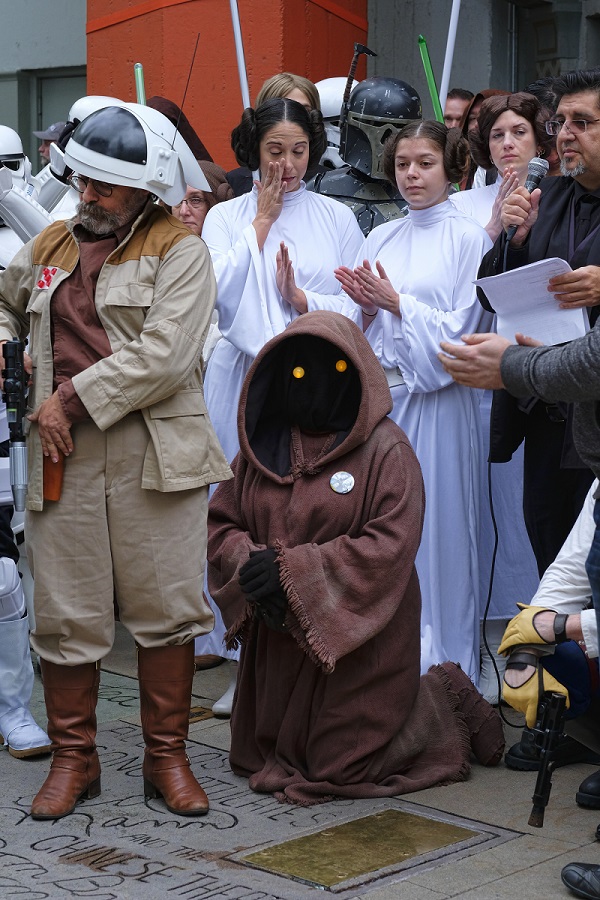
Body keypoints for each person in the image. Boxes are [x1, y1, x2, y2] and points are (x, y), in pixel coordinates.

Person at [0, 102, 231, 820]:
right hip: (59, 454)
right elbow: (4, 302)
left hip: (153, 451)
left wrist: (67, 402)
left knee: (165, 607)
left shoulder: (181, 249)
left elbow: (165, 356)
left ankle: (167, 760)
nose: (87, 194)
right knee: (66, 611)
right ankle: (76, 759)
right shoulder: (49, 243)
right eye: (83, 180)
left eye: (104, 185)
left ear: (146, 188)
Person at [206, 310, 505, 805]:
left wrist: (291, 574)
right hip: (280, 646)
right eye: (297, 375)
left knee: (339, 768)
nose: (311, 387)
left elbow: (389, 546)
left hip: (360, 643)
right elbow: (222, 523)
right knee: (254, 759)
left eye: (334, 374)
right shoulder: (260, 449)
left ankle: (441, 701)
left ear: (358, 374)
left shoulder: (388, 451)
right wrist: (247, 561)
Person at [438, 67, 600, 899]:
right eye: (561, 122)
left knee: (592, 596)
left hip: (587, 413)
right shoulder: (556, 200)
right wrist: (508, 237)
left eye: (579, 123)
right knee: (554, 568)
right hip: (550, 415)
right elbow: (502, 291)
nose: (563, 136)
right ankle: (578, 726)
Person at [200, 97, 363, 716]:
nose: (288, 165)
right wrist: (258, 228)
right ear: (253, 150)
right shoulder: (227, 218)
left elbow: (357, 304)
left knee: (301, 512)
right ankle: (244, 659)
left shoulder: (337, 217)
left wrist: (303, 298)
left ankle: (310, 649)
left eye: (299, 151)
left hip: (314, 380)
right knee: (242, 509)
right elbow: (210, 293)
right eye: (275, 151)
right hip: (242, 377)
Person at [335, 120, 491, 681]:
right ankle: (390, 660)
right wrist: (371, 311)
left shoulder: (470, 238)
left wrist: (398, 304)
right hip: (388, 400)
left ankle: (449, 664)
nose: (412, 174)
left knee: (441, 528)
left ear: (451, 167)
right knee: (387, 528)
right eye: (403, 164)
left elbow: (464, 331)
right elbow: (362, 325)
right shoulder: (381, 237)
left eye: (425, 162)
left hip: (441, 404)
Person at [450, 92, 552, 699]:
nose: (508, 143)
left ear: (539, 142)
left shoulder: (555, 201)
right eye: (496, 135)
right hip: (466, 377)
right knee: (475, 517)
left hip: (532, 375)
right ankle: (477, 644)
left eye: (519, 132)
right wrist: (492, 229)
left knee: (522, 517)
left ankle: (523, 643)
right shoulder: (461, 206)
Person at [308, 76, 422, 235]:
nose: (384, 141)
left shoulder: (429, 192)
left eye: (398, 127)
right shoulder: (320, 189)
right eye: (374, 125)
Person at [227, 73, 321, 197]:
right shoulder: (236, 182)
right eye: (280, 108)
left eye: (303, 111)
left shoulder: (329, 182)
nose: (290, 117)